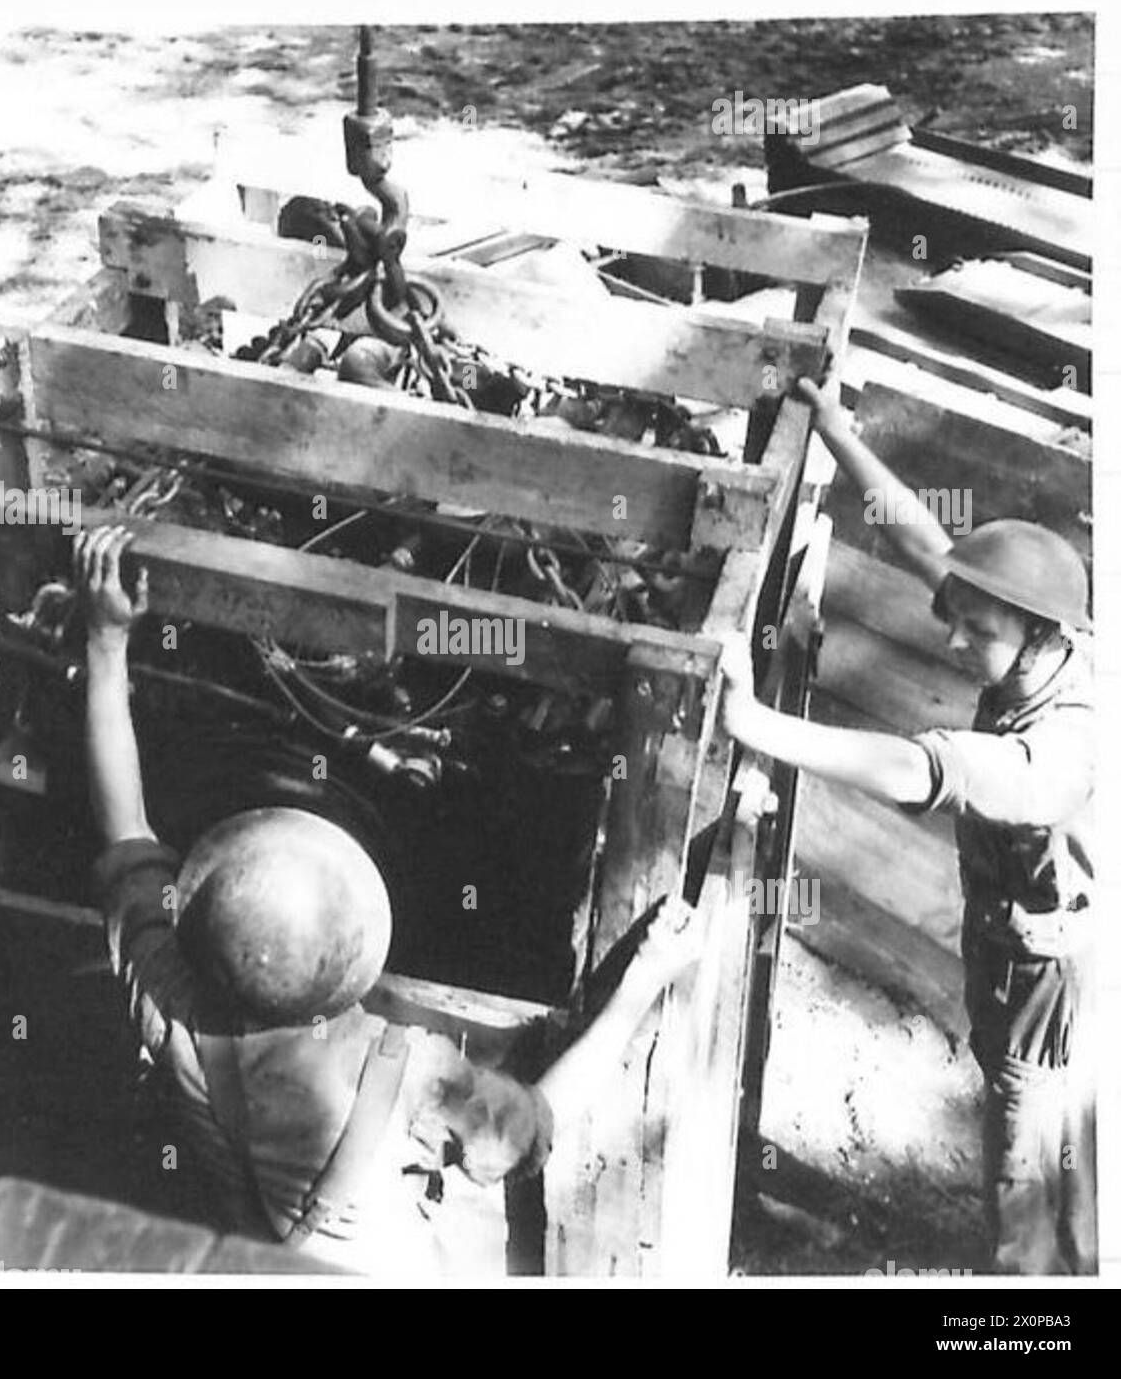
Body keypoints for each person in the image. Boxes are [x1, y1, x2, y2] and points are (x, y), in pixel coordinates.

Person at [76, 523, 704, 1276]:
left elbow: (125, 829)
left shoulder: (171, 1003)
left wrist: (106, 642)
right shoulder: (406, 1070)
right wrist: (643, 983)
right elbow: (541, 1123)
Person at [718, 377, 1095, 1275]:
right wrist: (839, 433)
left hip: (1051, 991)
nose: (956, 647)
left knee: (1027, 1173)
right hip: (1047, 962)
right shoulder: (1051, 636)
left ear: (1038, 634)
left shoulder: (1062, 750)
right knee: (1073, 1173)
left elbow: (917, 768)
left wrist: (757, 726)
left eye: (977, 635)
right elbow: (927, 541)